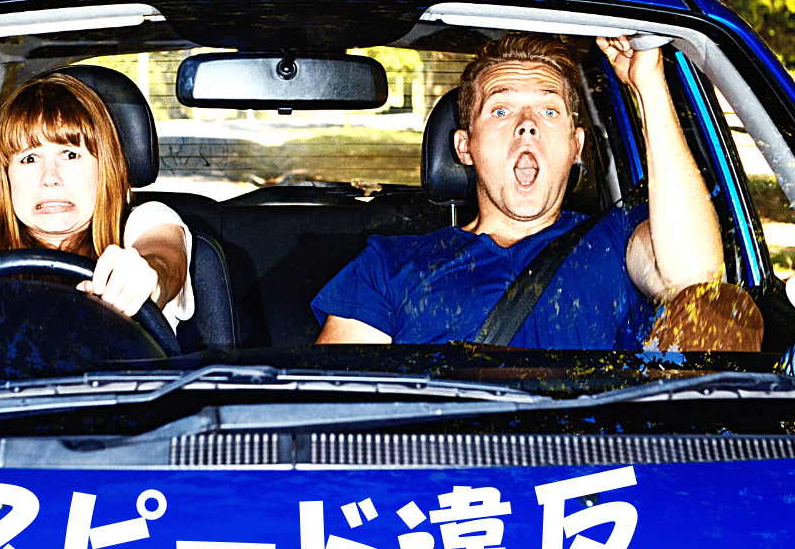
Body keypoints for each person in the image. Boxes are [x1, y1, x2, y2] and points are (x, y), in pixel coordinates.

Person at [312, 33, 762, 350]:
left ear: (576, 146)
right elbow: (336, 415)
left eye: (548, 110)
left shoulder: (619, 238)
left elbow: (698, 282)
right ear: (465, 147)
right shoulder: (388, 266)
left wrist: (649, 86)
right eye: (501, 109)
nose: (526, 124)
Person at [0, 71, 193, 331]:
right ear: (6, 175)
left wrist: (145, 277)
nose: (50, 178)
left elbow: (163, 258)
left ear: (104, 166)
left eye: (70, 154)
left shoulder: (145, 220)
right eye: (29, 158)